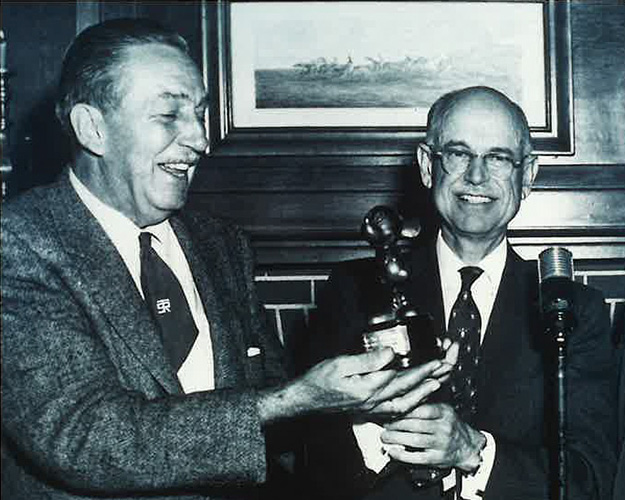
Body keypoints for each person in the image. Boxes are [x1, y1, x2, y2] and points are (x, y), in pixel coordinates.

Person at [1, 18, 454, 500]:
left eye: (200, 113)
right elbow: (88, 438)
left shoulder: (220, 245)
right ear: (93, 129)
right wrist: (295, 400)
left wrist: (364, 409)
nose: (200, 138)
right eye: (169, 115)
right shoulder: (20, 244)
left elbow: (276, 422)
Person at [299, 86, 618, 499]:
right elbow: (310, 461)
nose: (476, 176)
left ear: (527, 176)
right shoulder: (355, 290)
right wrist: (378, 431)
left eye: (498, 157)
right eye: (458, 153)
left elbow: (588, 480)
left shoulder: (573, 311)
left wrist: (473, 451)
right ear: (427, 166)